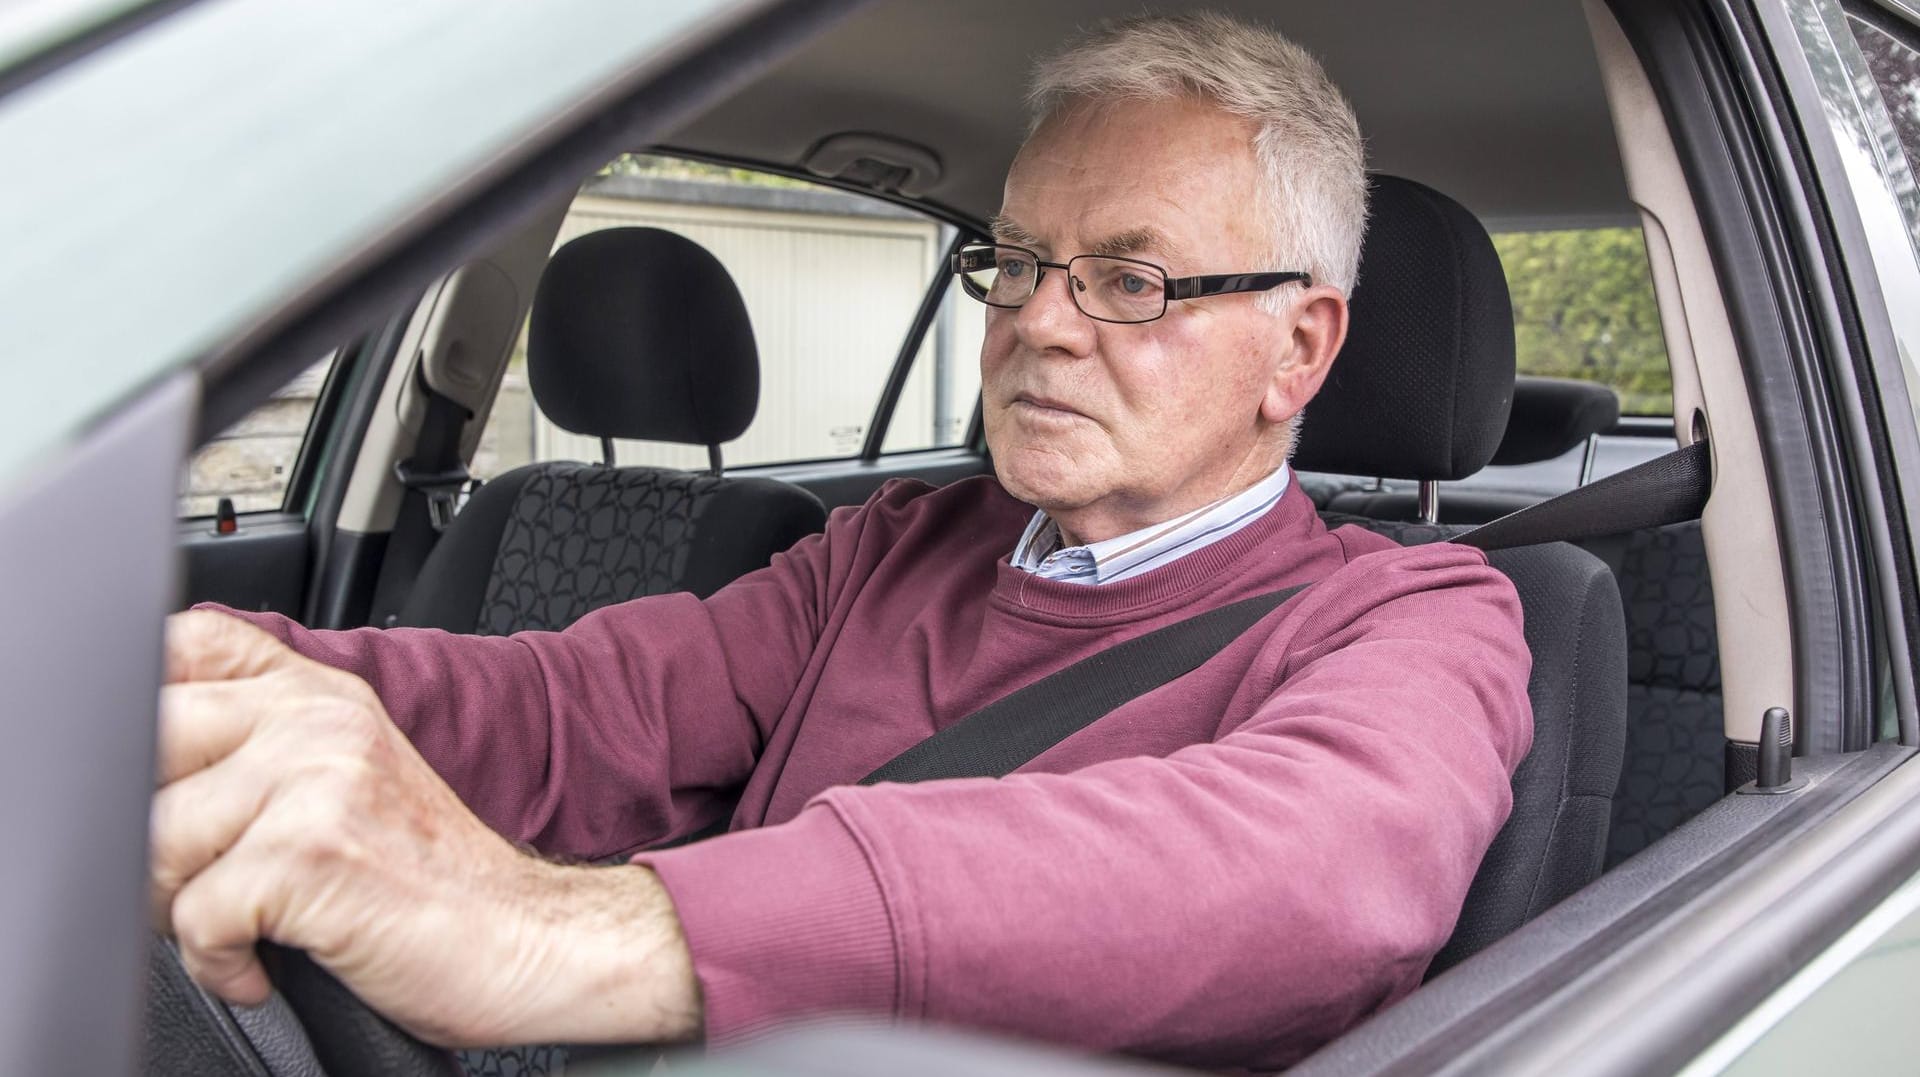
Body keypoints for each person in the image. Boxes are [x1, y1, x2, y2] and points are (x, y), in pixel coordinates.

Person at [151, 12, 1531, 1071]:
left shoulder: (1420, 618)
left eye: (1130, 278)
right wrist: (212, 689)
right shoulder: (890, 551)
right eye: (1020, 261)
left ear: (1299, 345)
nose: (1038, 322)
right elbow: (581, 704)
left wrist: (550, 930)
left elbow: (1308, 875)